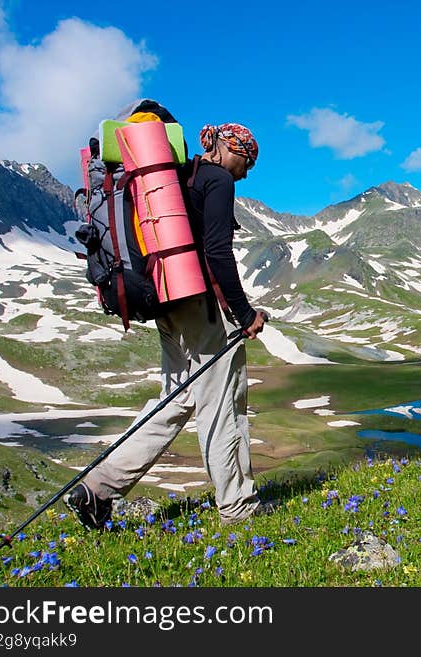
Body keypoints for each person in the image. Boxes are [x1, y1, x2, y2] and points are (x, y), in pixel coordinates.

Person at [65, 121, 272, 528]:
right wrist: (245, 315)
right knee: (222, 398)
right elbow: (217, 252)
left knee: (175, 399)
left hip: (163, 299)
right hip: (197, 305)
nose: (246, 172)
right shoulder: (217, 181)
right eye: (247, 161)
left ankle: (100, 488)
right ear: (231, 149)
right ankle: (237, 504)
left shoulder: (179, 178)